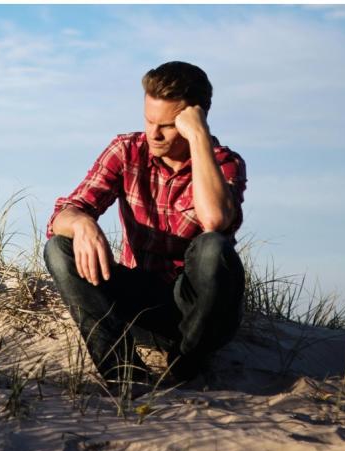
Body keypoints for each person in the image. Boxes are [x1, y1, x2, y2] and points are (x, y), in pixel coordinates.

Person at [43, 61, 247, 385]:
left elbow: (215, 220)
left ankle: (185, 367)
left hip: (203, 312)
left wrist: (198, 138)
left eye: (167, 125)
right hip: (143, 302)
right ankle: (125, 377)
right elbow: (64, 213)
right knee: (58, 248)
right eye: (149, 120)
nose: (154, 133)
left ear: (195, 119)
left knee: (213, 247)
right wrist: (82, 224)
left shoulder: (224, 162)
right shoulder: (127, 150)